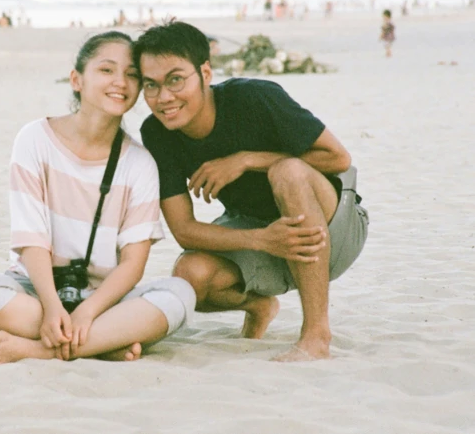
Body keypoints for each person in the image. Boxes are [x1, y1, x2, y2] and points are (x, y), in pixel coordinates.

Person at [134, 21, 368, 362]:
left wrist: (246, 160)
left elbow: (338, 158)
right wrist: (263, 239)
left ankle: (316, 335)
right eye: (150, 85)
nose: (164, 97)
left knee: (286, 171)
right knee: (189, 276)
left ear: (205, 73)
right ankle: (260, 306)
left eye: (175, 79)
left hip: (334, 229)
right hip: (264, 238)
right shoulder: (157, 133)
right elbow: (185, 230)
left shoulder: (255, 98)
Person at [0, 32, 196, 366]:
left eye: (131, 75)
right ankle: (104, 344)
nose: (120, 82)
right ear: (77, 79)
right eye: (106, 70)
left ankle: (38, 349)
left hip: (105, 301)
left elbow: (133, 263)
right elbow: (32, 238)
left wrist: (86, 312)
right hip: (36, 292)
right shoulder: (35, 139)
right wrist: (53, 307)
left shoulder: (140, 163)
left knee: (180, 296)